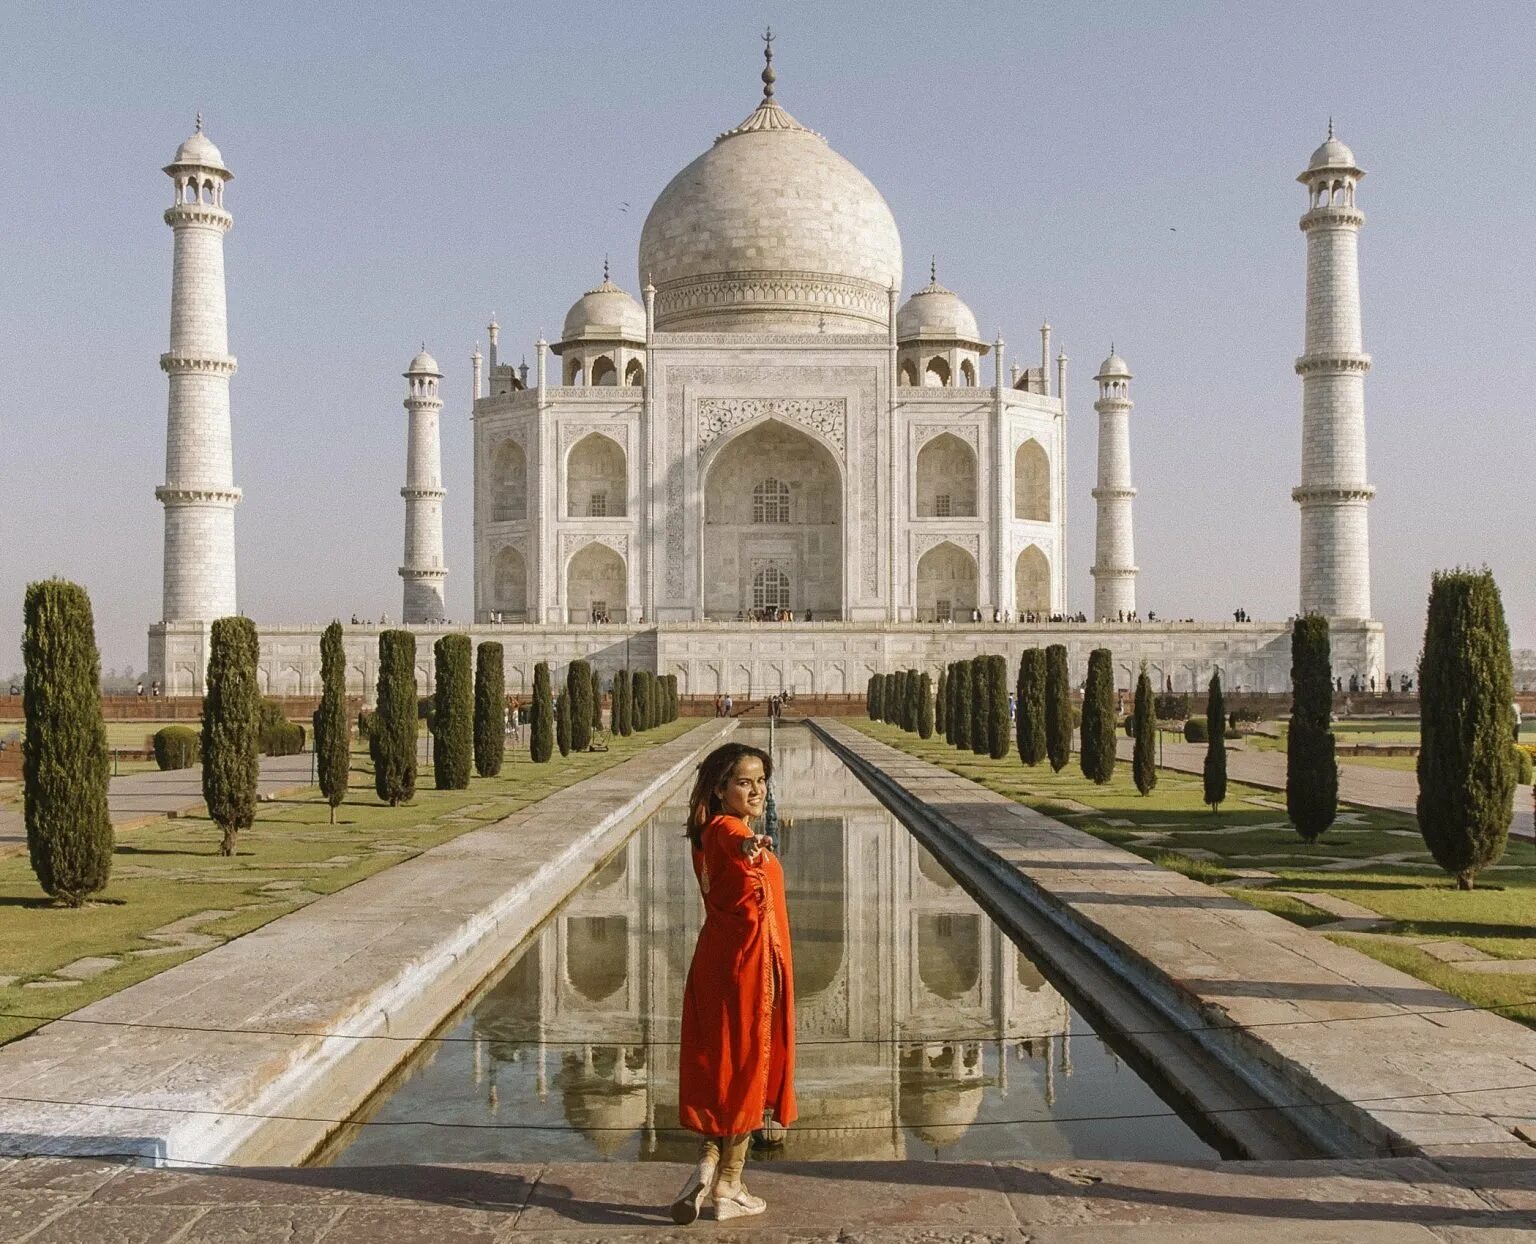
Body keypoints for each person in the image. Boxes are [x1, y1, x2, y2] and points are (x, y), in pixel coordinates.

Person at [671, 743, 796, 1224]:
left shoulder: (704, 830)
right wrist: (750, 844)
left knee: (720, 1067)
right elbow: (733, 842)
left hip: (715, 962)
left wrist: (749, 840)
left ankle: (707, 1163)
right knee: (751, 1068)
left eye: (761, 780)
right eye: (745, 781)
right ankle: (729, 1184)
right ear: (720, 787)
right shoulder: (727, 830)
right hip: (749, 968)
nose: (757, 789)